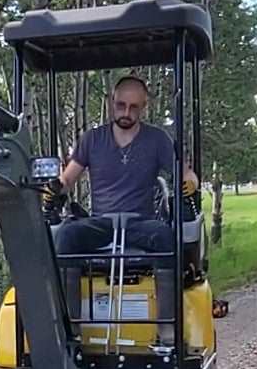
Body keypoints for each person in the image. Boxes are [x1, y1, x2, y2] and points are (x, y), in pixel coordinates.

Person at [49, 75, 197, 255]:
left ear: (144, 106)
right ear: (112, 101)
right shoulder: (92, 139)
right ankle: (67, 284)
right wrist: (54, 189)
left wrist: (190, 183)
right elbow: (67, 179)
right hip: (101, 224)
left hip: (141, 225)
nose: (126, 113)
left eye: (133, 107)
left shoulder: (157, 139)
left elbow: (186, 174)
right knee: (66, 235)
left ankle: (169, 283)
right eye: (121, 105)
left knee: (165, 236)